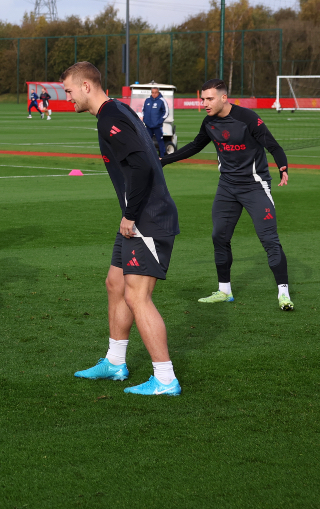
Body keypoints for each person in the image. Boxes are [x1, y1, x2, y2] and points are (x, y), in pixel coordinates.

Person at [63, 62, 182, 396]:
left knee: (136, 295)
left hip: (147, 218)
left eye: (69, 91)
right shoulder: (116, 111)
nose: (68, 98)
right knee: (115, 283)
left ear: (86, 86)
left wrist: (130, 214)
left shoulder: (111, 117)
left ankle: (165, 378)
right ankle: (115, 362)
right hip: (140, 215)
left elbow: (144, 165)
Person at [160, 78, 293, 310]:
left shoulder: (248, 119)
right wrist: (163, 161)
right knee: (219, 237)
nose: (205, 103)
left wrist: (282, 166)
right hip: (227, 188)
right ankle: (224, 291)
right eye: (202, 99)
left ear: (224, 98)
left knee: (269, 239)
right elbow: (194, 146)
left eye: (209, 99)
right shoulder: (209, 123)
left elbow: (273, 145)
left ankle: (283, 293)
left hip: (255, 187)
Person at [142, 87, 168, 151]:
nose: (154, 94)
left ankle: (162, 156)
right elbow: (143, 110)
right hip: (148, 126)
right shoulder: (147, 100)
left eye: (155, 92)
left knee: (160, 141)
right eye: (153, 92)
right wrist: (145, 120)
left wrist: (160, 121)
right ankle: (148, 156)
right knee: (146, 141)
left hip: (157, 126)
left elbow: (166, 112)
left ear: (158, 92)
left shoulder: (162, 100)